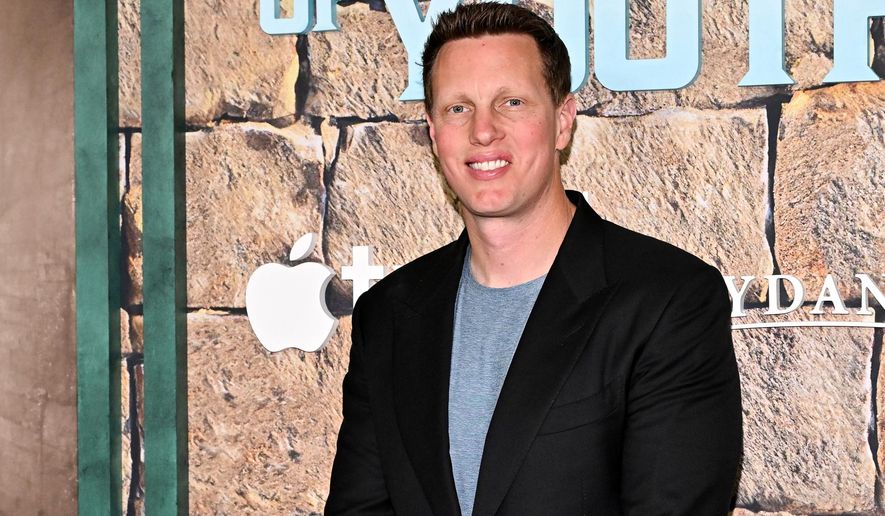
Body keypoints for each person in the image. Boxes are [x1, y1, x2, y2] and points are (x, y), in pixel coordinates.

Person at [326, 3, 742, 515]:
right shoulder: (387, 313)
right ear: (434, 136)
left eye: (512, 102)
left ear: (562, 122)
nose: (483, 131)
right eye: (459, 108)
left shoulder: (668, 301)